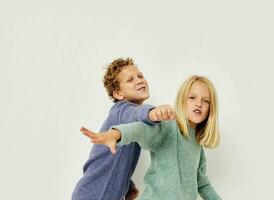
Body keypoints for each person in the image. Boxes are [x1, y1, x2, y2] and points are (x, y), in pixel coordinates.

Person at [81, 75, 222, 200]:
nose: (199, 103)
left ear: (211, 109)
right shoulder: (168, 127)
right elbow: (141, 129)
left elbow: (202, 183)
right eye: (192, 98)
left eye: (206, 101)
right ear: (182, 101)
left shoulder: (198, 145)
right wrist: (117, 134)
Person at [72, 57, 175, 200]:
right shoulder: (121, 110)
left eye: (140, 76)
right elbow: (137, 112)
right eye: (130, 80)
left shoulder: (130, 121)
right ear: (118, 94)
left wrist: (128, 185)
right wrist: (154, 113)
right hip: (93, 193)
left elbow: (114, 161)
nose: (139, 80)